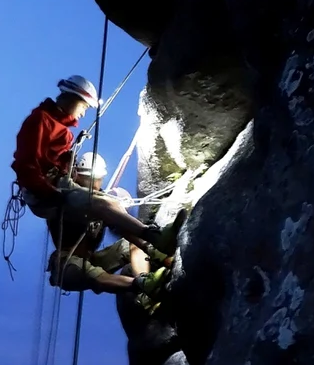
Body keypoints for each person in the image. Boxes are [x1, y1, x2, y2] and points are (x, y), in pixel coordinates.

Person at [10, 74, 186, 260]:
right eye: (84, 106)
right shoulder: (40, 120)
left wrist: (67, 160)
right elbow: (25, 164)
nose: (84, 113)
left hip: (57, 187)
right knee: (101, 205)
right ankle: (155, 238)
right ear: (72, 97)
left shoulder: (63, 131)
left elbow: (54, 163)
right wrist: (51, 193)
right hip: (43, 194)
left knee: (111, 202)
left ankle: (153, 245)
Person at [45, 152, 170, 309]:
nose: (96, 183)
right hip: (66, 263)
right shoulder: (67, 198)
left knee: (131, 244)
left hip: (92, 259)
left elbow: (121, 227)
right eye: (91, 179)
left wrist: (149, 246)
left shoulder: (100, 202)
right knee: (97, 278)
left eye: (98, 179)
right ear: (77, 175)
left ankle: (154, 273)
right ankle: (143, 286)